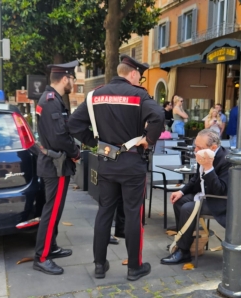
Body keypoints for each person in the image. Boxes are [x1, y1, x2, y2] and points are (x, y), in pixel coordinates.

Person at [68, 54, 164, 281]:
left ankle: (99, 265)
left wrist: (95, 143)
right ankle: (134, 267)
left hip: (106, 163)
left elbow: (73, 124)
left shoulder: (94, 95)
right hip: (132, 164)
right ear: (132, 74)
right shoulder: (139, 95)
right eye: (139, 76)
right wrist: (149, 140)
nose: (139, 80)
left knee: (104, 213)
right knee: (133, 214)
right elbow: (158, 115)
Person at [32, 60, 82, 275]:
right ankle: (41, 257)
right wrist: (76, 153)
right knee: (51, 212)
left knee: (55, 209)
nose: (74, 82)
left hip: (54, 163)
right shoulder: (52, 101)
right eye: (72, 78)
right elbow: (59, 136)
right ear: (65, 78)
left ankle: (50, 248)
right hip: (56, 165)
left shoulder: (52, 99)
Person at [160, 129, 231, 265]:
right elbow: (195, 180)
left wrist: (209, 167)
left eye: (199, 147)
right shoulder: (202, 154)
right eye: (195, 146)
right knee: (179, 201)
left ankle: (182, 250)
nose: (195, 150)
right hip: (203, 195)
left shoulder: (226, 160)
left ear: (213, 148)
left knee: (187, 208)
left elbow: (220, 190)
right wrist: (181, 191)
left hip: (218, 201)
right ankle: (184, 242)